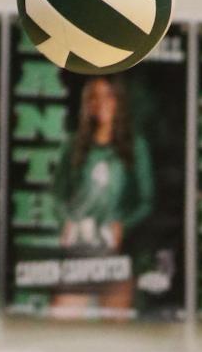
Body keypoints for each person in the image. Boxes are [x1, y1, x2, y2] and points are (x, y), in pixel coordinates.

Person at [50, 76, 152, 318]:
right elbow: (57, 196)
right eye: (94, 97)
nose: (101, 103)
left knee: (116, 326)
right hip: (80, 247)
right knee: (62, 319)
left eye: (108, 95)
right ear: (87, 104)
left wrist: (122, 226)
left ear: (118, 101)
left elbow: (146, 201)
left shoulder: (135, 145)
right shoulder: (73, 145)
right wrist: (66, 222)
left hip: (117, 250)